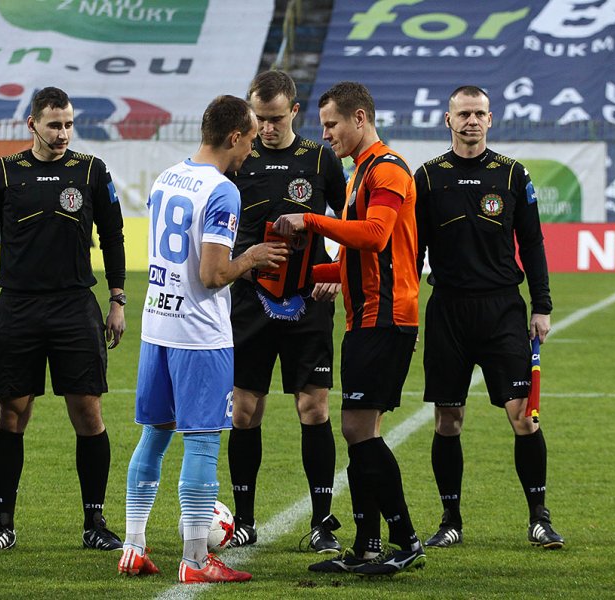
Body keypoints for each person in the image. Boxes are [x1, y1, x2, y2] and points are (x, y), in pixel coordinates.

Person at [116, 95, 288, 583]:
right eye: (250, 139)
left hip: (157, 326)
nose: (252, 149)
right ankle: (195, 560)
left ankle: (133, 546)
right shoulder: (222, 191)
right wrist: (251, 258)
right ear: (234, 136)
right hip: (198, 335)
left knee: (154, 435)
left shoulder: (168, 177)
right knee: (203, 441)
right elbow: (212, 275)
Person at [274, 81, 425, 576]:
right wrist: (295, 276)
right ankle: (366, 545)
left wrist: (311, 221)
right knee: (360, 431)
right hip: (366, 316)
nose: (326, 134)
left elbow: (376, 236)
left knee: (358, 429)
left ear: (360, 118)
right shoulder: (360, 171)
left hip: (386, 315)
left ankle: (405, 540)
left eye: (332, 124)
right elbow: (356, 262)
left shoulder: (388, 168)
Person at [0, 86, 127, 553]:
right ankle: (2, 523)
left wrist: (117, 298)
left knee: (89, 412)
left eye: (68, 125)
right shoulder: (1, 174)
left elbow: (113, 236)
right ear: (32, 124)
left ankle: (94, 522)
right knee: (12, 413)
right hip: (17, 306)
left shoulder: (92, 171)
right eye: (54, 125)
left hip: (75, 306)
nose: (63, 134)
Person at [414, 85, 564, 550]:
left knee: (525, 417)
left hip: (502, 310)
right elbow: (413, 250)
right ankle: (450, 520)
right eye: (464, 114)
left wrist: (542, 305)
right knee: (448, 419)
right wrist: (404, 310)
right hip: (448, 311)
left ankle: (539, 518)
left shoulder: (513, 174)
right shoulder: (427, 177)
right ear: (448, 120)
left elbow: (532, 243)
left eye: (479, 113)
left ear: (490, 119)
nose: (472, 121)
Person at [224, 70, 347, 552]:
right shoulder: (239, 157)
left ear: (294, 111)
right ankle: (244, 520)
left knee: (313, 408)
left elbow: (351, 220)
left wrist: (336, 270)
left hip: (307, 302)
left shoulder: (319, 158)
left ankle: (321, 522)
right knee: (244, 411)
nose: (268, 127)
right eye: (260, 118)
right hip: (249, 302)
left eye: (276, 118)